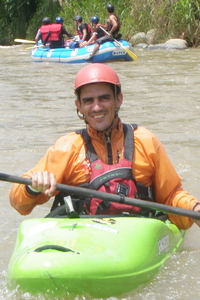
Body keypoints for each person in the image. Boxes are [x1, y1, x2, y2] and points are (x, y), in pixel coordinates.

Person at [9, 63, 200, 230]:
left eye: (104, 98)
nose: (97, 107)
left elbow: (171, 196)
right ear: (79, 106)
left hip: (137, 235)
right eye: (88, 101)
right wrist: (33, 188)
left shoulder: (146, 141)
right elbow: (18, 203)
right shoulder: (67, 147)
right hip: (85, 236)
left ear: (118, 100)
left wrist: (193, 209)